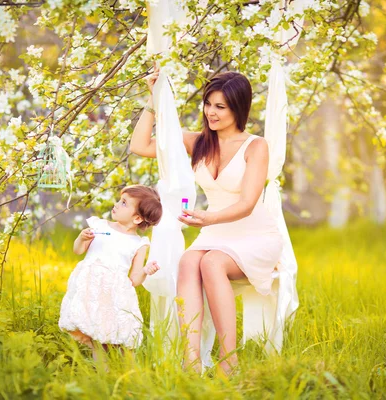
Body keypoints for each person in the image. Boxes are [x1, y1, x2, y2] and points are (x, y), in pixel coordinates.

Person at [129, 70, 283, 375]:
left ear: (239, 108)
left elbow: (247, 203)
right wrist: (153, 98)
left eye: (220, 107)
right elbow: (140, 146)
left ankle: (230, 362)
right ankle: (191, 363)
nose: (211, 112)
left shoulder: (256, 146)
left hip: (254, 234)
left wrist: (208, 218)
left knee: (211, 263)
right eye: (208, 104)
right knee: (188, 262)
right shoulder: (198, 142)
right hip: (215, 232)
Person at [58, 185, 162, 363]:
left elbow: (134, 280)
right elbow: (78, 250)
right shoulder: (99, 226)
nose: (116, 204)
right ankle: (102, 375)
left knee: (116, 336)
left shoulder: (139, 243)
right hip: (91, 290)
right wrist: (81, 239)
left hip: (114, 294)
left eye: (124, 203)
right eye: (119, 200)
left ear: (137, 218)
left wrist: (145, 271)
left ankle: (126, 373)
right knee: (97, 336)